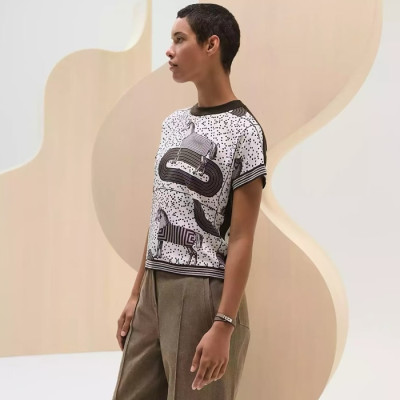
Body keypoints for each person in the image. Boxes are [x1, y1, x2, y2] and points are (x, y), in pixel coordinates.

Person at [111, 3, 267, 400]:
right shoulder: (173, 123)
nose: (170, 50)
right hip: (154, 288)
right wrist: (136, 294)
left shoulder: (245, 131)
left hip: (203, 290)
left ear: (211, 45)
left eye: (180, 40)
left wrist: (224, 324)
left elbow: (243, 237)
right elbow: (161, 213)